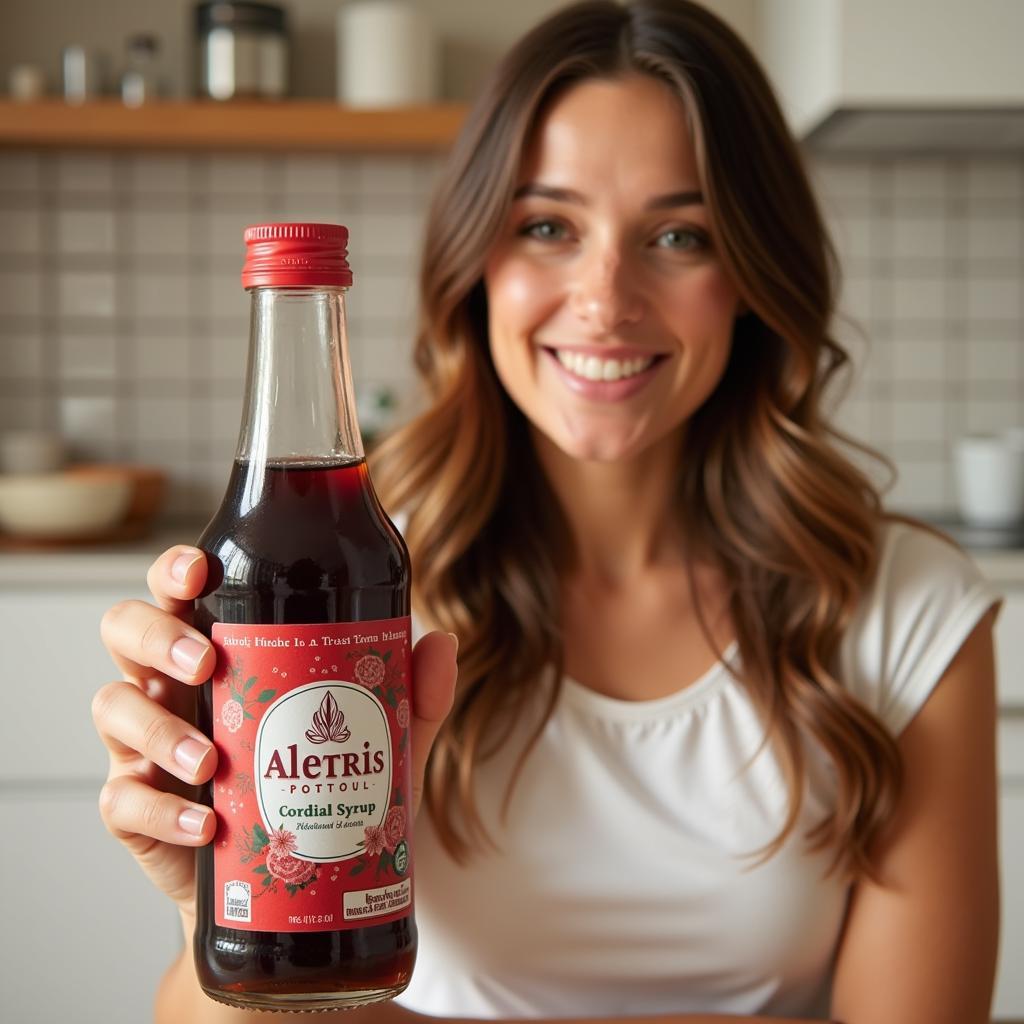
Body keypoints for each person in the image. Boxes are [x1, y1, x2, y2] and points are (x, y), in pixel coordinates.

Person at [91, 2, 1003, 1022]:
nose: (606, 298)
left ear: (750, 274)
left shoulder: (907, 610)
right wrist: (211, 915)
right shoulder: (355, 587)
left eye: (678, 233)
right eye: (546, 226)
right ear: (476, 262)